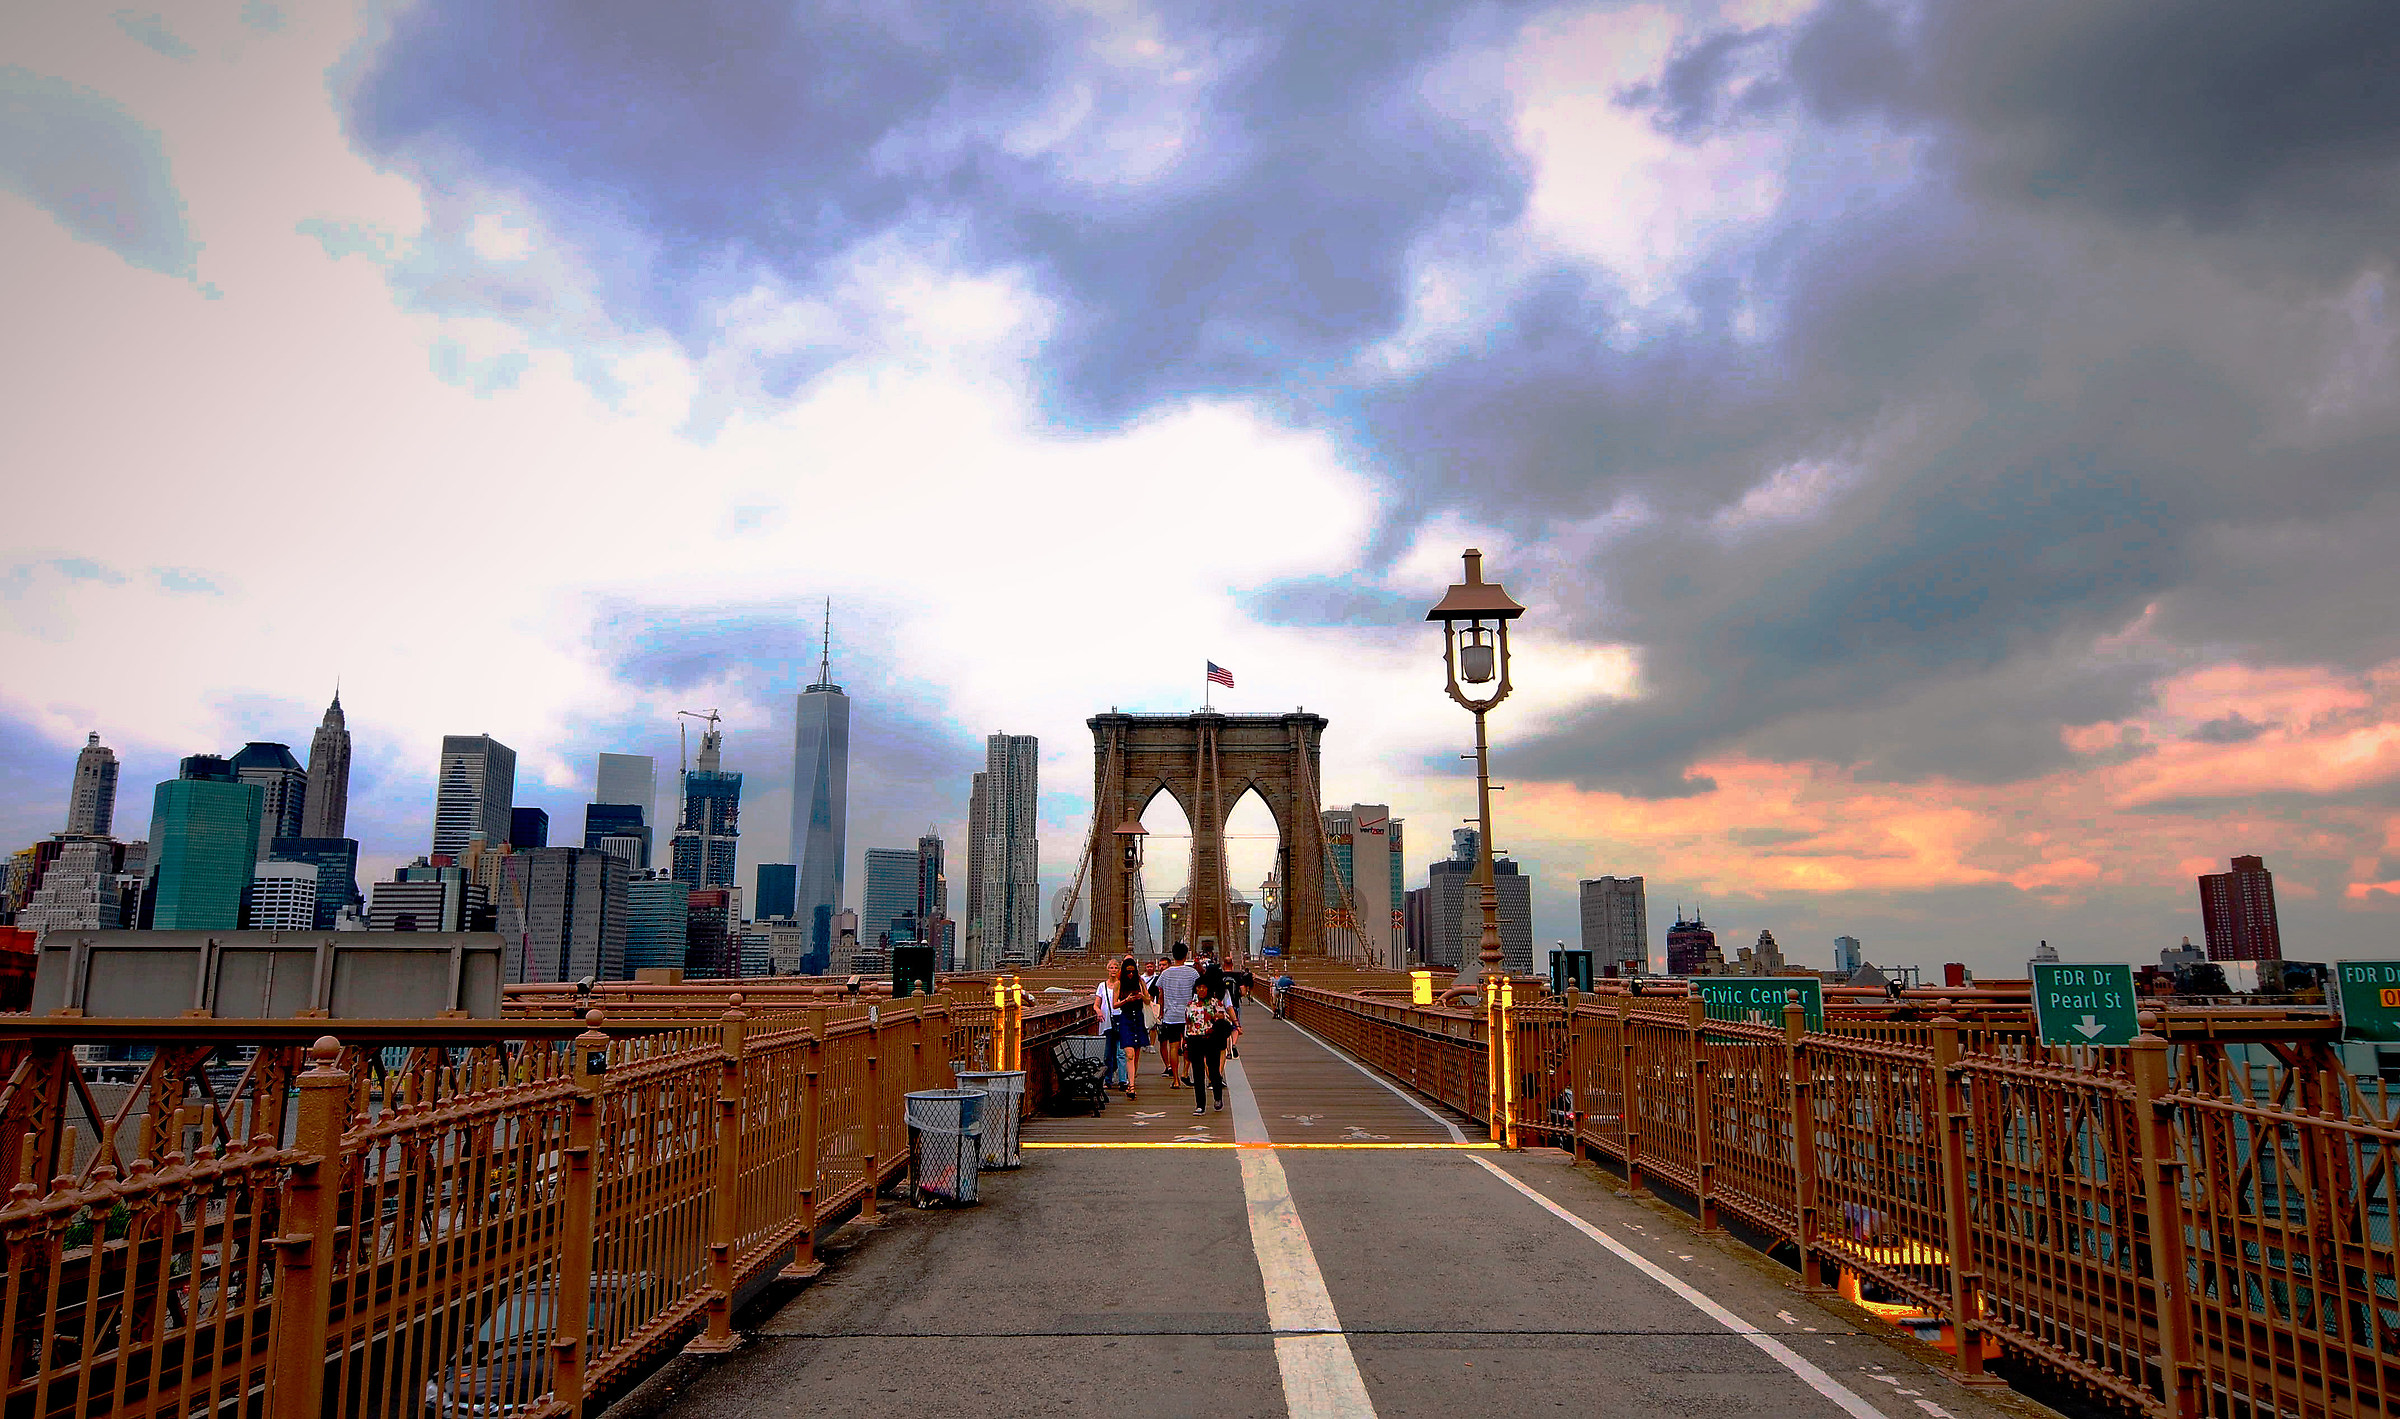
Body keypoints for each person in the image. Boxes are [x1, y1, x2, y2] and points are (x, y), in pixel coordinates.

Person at [1185, 977, 1239, 1114]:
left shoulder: (1216, 1003)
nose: (1201, 989)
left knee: (1213, 1070)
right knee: (1197, 1073)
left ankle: (1218, 1097)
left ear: (1208, 988)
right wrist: (1184, 1041)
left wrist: (1221, 1018)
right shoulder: (1190, 1004)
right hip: (1194, 1039)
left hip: (1211, 1039)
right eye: (1199, 987)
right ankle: (1200, 1105)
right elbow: (1187, 1023)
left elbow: (1225, 1019)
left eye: (1204, 987)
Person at [1152, 943, 1200, 1086]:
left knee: (1173, 1046)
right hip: (1188, 1016)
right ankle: (1185, 1072)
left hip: (1170, 1015)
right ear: (1186, 956)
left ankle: (1176, 1080)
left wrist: (1160, 1011)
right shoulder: (1193, 973)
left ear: (1173, 956)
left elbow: (1160, 993)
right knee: (1188, 1045)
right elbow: (1197, 992)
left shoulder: (1165, 974)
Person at [1110, 955, 1149, 1099]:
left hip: (1138, 1018)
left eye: (1133, 971)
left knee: (1136, 1056)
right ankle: (1131, 1086)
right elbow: (1115, 1004)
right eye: (1128, 971)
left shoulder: (1140, 982)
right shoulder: (1119, 984)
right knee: (1129, 1054)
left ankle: (1132, 1081)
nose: (1131, 974)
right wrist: (1127, 1000)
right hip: (1125, 1018)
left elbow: (1148, 999)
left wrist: (1140, 996)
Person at [1094, 966, 1125, 1089]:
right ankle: (1108, 1080)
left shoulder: (1122, 985)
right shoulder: (1102, 986)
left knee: (1121, 1053)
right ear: (1107, 970)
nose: (1113, 970)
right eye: (1111, 968)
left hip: (1120, 1019)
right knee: (1108, 1054)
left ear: (1119, 970)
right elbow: (1096, 1005)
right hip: (1107, 1022)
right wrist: (1099, 1011)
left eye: (1116, 968)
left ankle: (1123, 1080)